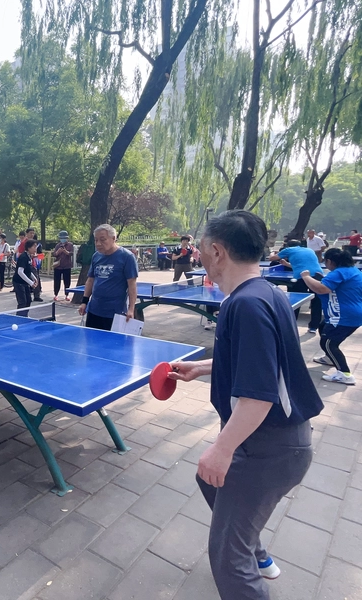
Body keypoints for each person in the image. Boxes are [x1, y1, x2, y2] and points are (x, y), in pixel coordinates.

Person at [169, 210, 322, 600]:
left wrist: (222, 449)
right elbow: (260, 361)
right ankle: (259, 553)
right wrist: (201, 367)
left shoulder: (245, 305)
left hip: (268, 448)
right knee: (208, 479)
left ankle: (248, 555)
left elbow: (259, 395)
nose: (200, 256)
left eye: (202, 250)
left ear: (217, 252)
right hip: (278, 442)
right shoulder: (267, 292)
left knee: (227, 559)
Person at [301, 247, 362, 385]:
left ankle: (345, 374)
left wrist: (306, 277)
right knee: (323, 327)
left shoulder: (338, 273)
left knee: (328, 342)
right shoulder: (353, 271)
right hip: (350, 314)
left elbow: (321, 289)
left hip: (344, 316)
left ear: (329, 261)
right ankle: (330, 358)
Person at [77, 224, 138, 330]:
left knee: (112, 345)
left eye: (102, 239)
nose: (98, 244)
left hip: (115, 312)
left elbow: (132, 285)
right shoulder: (96, 256)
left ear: (113, 238)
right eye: (96, 240)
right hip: (94, 310)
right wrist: (84, 302)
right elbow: (90, 280)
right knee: (92, 343)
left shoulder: (127, 257)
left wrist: (131, 309)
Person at [269, 239, 324, 333]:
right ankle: (313, 327)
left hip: (301, 276)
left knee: (296, 300)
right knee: (316, 301)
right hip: (318, 275)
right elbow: (300, 265)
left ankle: (291, 324)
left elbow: (272, 258)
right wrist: (286, 264)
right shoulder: (309, 250)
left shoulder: (288, 250)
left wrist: (272, 253)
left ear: (288, 246)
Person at [13, 239, 39, 314]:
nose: (35, 249)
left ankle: (25, 317)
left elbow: (28, 270)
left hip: (25, 283)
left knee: (28, 300)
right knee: (22, 302)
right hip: (18, 282)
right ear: (28, 248)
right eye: (34, 247)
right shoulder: (23, 257)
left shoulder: (29, 257)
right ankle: (20, 318)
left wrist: (34, 278)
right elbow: (20, 272)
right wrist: (31, 282)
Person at [52, 231, 74, 301]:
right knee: (57, 281)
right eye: (61, 238)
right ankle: (56, 294)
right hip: (58, 266)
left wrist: (65, 251)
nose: (63, 239)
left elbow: (71, 254)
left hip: (67, 266)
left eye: (64, 238)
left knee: (67, 281)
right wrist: (58, 252)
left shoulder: (70, 245)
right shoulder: (57, 245)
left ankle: (67, 295)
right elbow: (54, 254)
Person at [26, 228, 44, 301]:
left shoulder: (37, 244)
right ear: (26, 233)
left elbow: (41, 255)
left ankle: (37, 295)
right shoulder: (24, 242)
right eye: (30, 233)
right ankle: (27, 295)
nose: (32, 234)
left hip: (34, 264)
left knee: (36, 278)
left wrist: (35, 256)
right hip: (25, 262)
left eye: (33, 233)